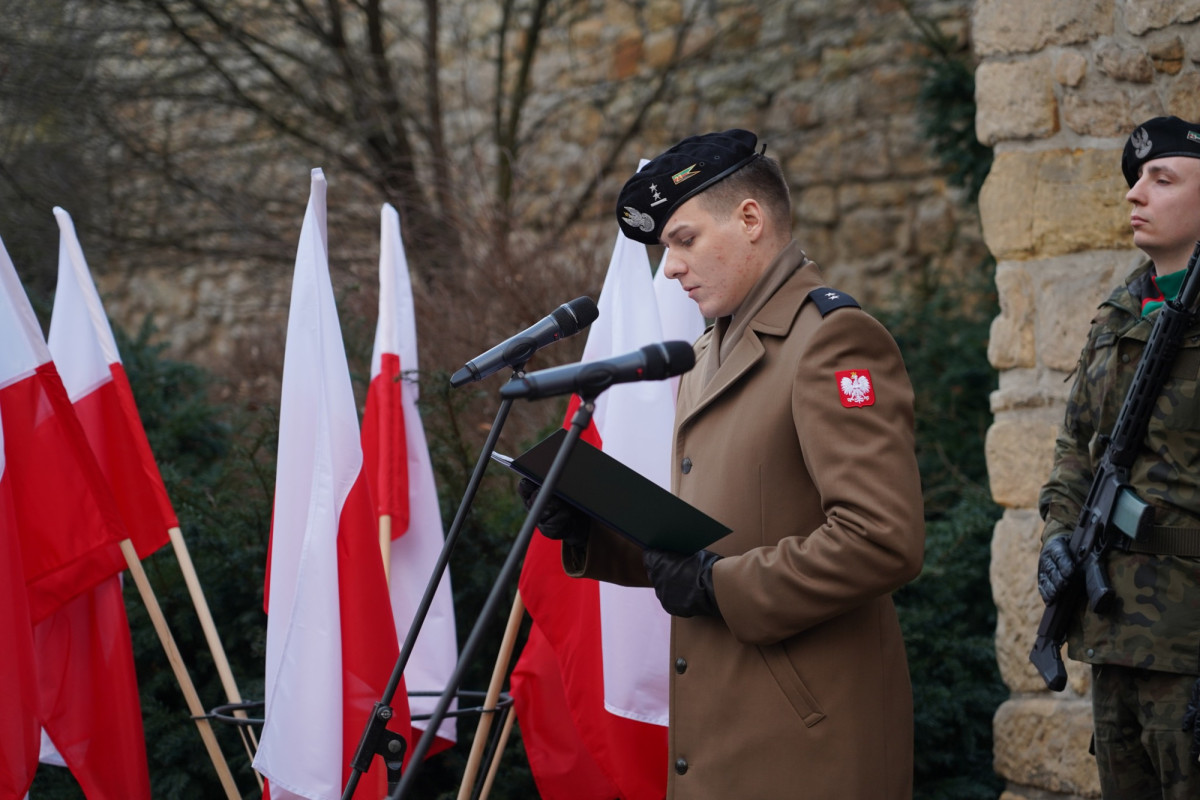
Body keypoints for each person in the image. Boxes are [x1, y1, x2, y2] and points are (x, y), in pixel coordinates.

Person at [522, 129, 926, 799]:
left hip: (805, 746)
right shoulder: (708, 352)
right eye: (666, 249)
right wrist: (589, 530)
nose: (671, 266)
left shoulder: (832, 340)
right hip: (722, 738)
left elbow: (882, 540)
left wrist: (722, 587)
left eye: (683, 239)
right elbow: (701, 544)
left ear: (750, 218)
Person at [1036, 115, 1200, 799]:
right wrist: (1057, 534)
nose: (1137, 193)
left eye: (1162, 179)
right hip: (1115, 634)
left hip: (1190, 635)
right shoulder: (1118, 311)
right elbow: (1078, 445)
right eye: (1136, 180)